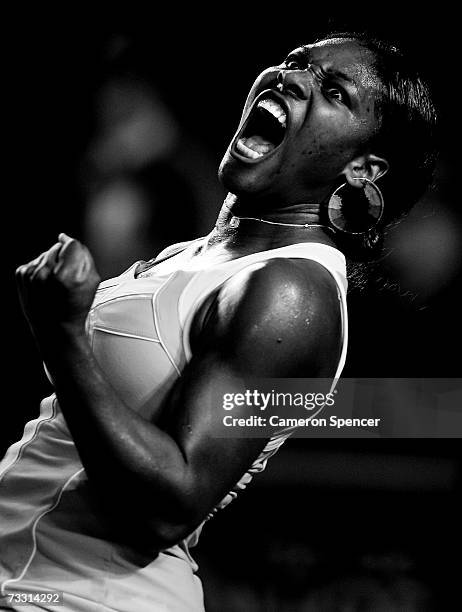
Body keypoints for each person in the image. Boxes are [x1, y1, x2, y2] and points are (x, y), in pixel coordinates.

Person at [0, 33, 437, 611]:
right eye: (295, 63)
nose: (294, 79)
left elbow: (171, 505)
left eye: (334, 92)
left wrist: (60, 335)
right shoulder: (200, 254)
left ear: (363, 168)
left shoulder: (292, 292)